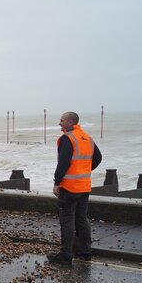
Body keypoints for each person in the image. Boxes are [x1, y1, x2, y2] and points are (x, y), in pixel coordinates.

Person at [47, 111, 102, 264]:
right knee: (82, 219)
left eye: (62, 120)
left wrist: (57, 182)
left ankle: (65, 255)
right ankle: (85, 252)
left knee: (67, 221)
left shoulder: (68, 139)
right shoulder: (87, 138)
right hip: (84, 186)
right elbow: (98, 158)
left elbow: (63, 163)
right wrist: (84, 170)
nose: (59, 123)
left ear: (70, 122)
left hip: (70, 187)